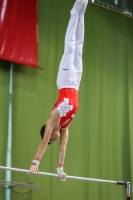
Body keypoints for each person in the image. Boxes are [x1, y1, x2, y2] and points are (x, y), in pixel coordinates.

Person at [30, 0, 88, 181]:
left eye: (51, 139)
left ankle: (74, 12)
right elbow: (63, 148)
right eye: (53, 139)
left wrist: (36, 162)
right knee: (78, 49)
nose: (54, 139)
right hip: (76, 82)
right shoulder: (65, 127)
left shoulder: (52, 119)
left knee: (69, 48)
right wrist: (59, 170)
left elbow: (43, 143)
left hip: (64, 81)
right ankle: (82, 13)